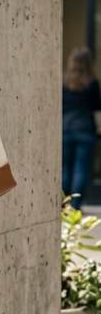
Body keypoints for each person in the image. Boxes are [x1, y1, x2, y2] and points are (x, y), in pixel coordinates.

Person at [62, 47, 101, 209]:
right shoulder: (91, 82)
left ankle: (63, 205)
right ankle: (75, 207)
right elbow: (97, 105)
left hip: (66, 129)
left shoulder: (64, 81)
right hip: (85, 129)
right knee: (81, 169)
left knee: (65, 169)